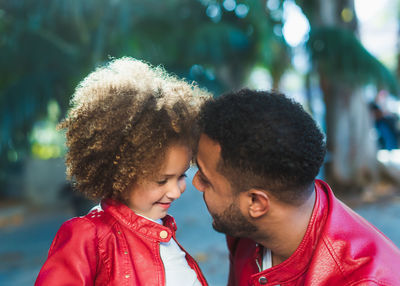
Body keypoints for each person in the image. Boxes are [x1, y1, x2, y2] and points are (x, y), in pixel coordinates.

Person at [192, 89, 400, 285]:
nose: (195, 183)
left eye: (205, 179)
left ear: (256, 202)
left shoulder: (366, 280)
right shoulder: (244, 229)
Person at [35, 57, 210, 285]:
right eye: (161, 180)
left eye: (181, 176)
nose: (176, 192)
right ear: (122, 172)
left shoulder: (162, 231)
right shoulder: (89, 236)